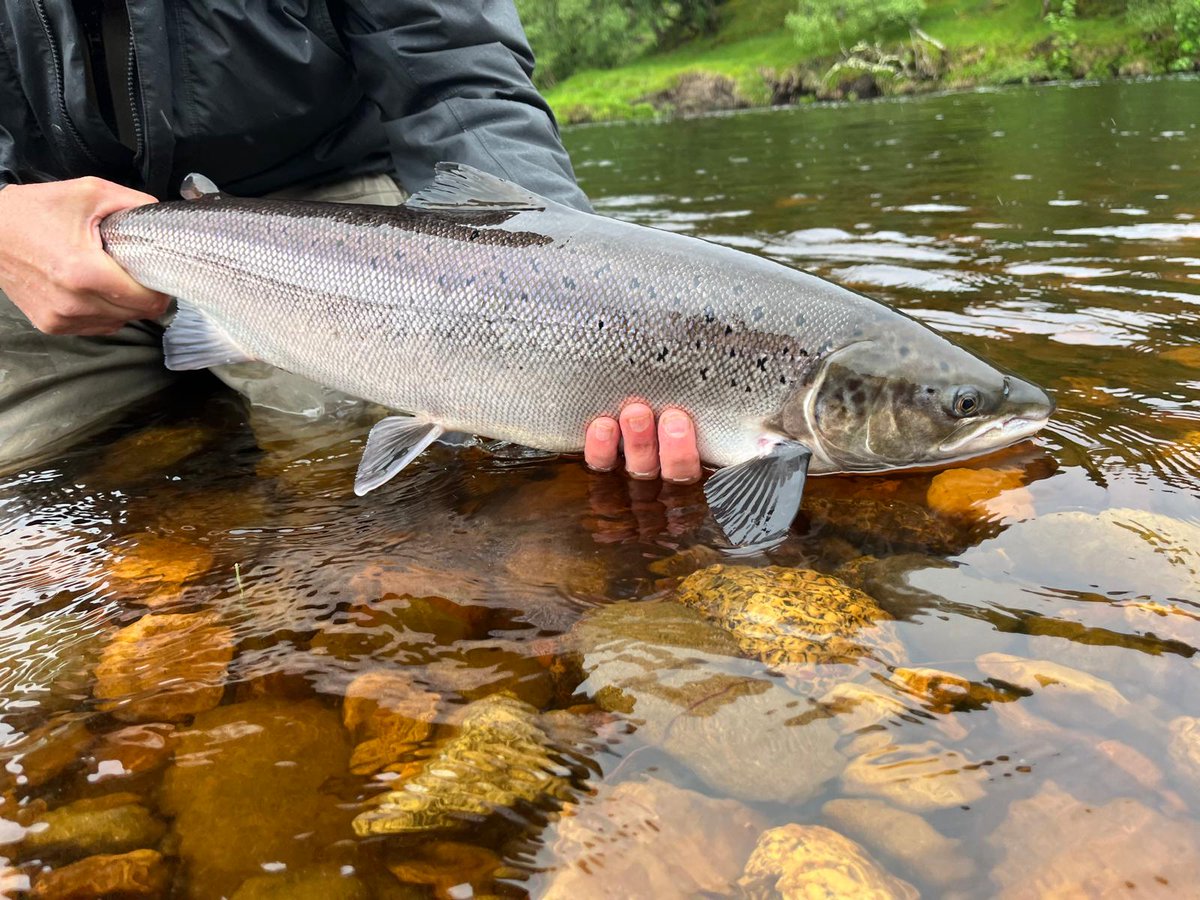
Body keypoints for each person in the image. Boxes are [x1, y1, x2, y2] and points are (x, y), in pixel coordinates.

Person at [0, 0, 701, 484]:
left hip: (329, 212)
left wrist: (570, 282)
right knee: (36, 488)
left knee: (360, 470)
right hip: (33, 219)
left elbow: (456, 67)